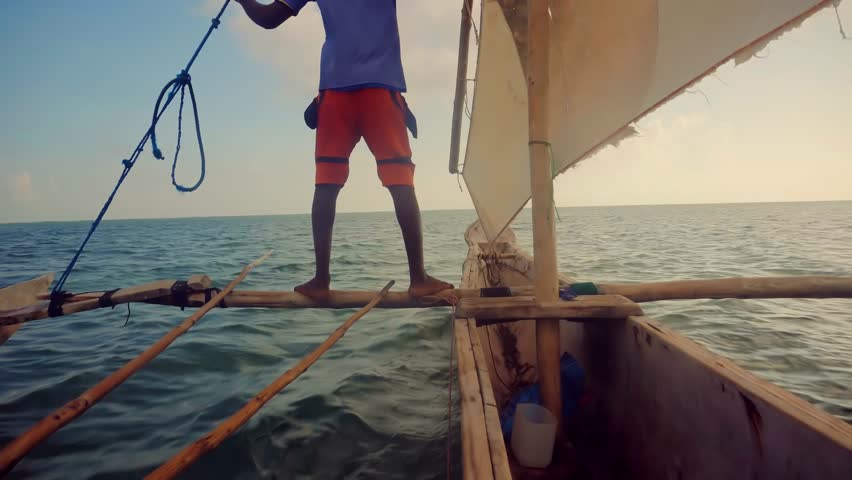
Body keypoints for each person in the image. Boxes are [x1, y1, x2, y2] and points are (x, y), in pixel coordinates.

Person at [235, 0, 453, 298]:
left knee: (326, 185)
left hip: (334, 96)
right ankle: (418, 279)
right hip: (380, 91)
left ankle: (320, 280)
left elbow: (269, 18)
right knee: (400, 182)